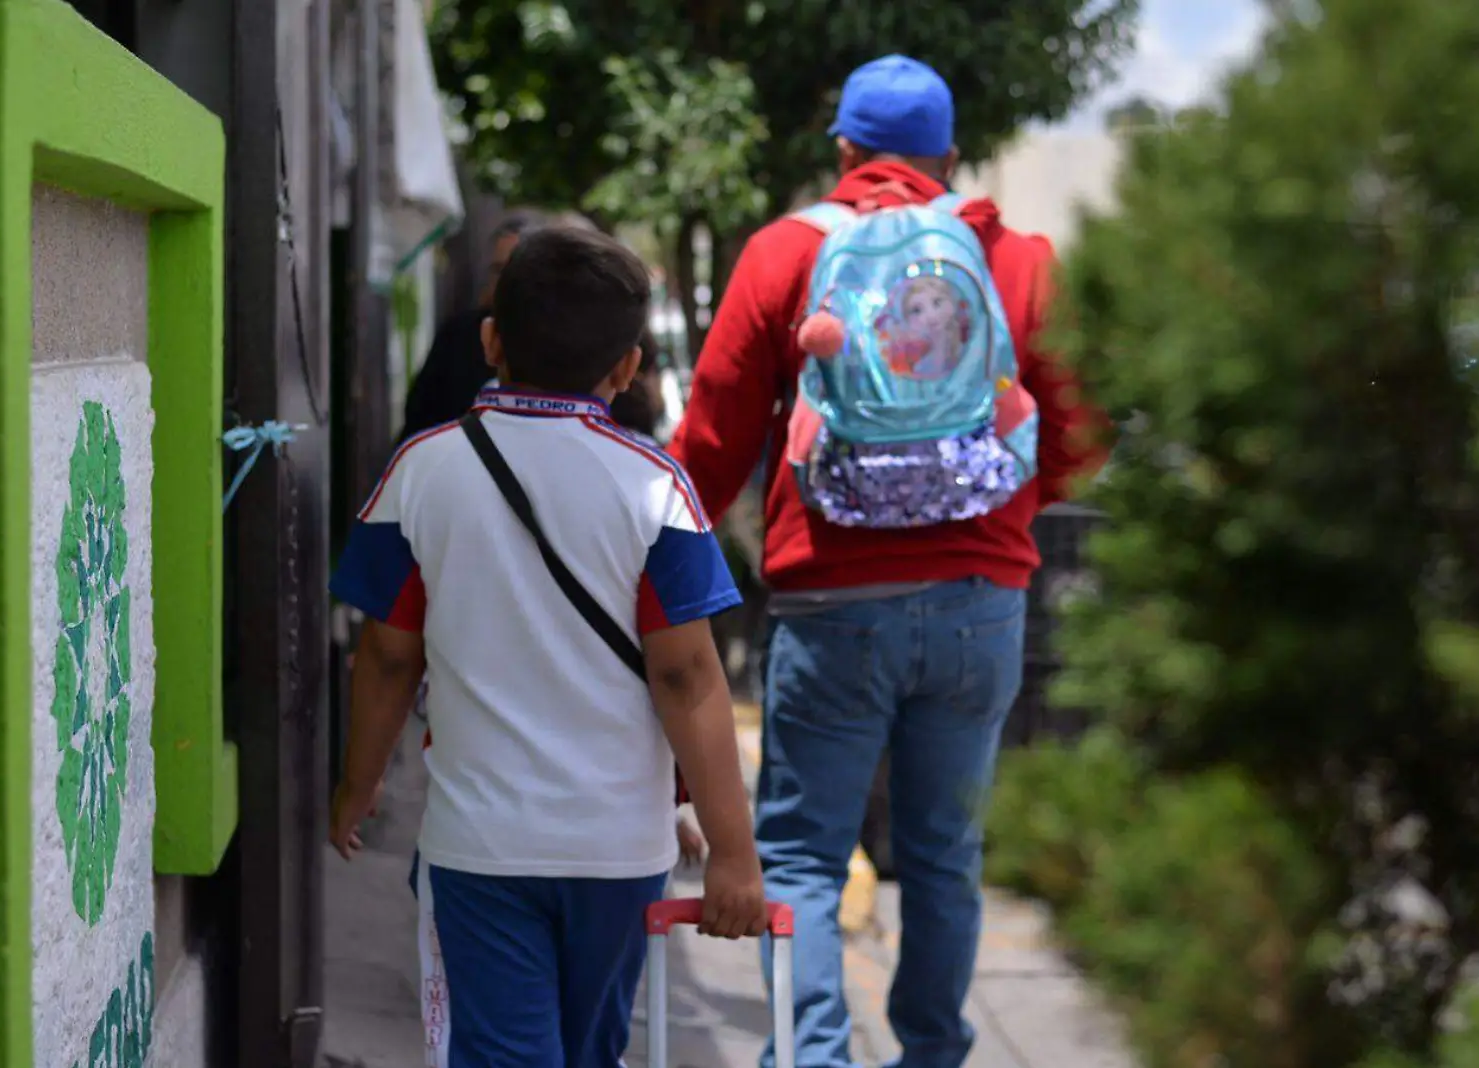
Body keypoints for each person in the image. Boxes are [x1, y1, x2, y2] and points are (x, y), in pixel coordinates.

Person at [667, 55, 1110, 1068]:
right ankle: (930, 1057)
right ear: (950, 155)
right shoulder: (1019, 258)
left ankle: (814, 1058)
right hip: (981, 603)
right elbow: (1079, 431)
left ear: (843, 153)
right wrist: (1000, 511)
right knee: (946, 857)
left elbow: (709, 443)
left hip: (831, 595)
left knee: (803, 858)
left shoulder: (785, 254)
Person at [329, 225, 769, 1065]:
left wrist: (358, 783)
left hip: (479, 848)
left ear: (490, 339)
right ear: (628, 367)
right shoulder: (655, 486)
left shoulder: (421, 470)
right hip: (619, 849)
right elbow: (688, 678)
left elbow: (388, 655)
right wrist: (734, 853)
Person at [394, 209, 544, 445]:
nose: (507, 283)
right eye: (498, 270)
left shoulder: (561, 338)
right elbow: (420, 420)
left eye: (517, 271)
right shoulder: (458, 335)